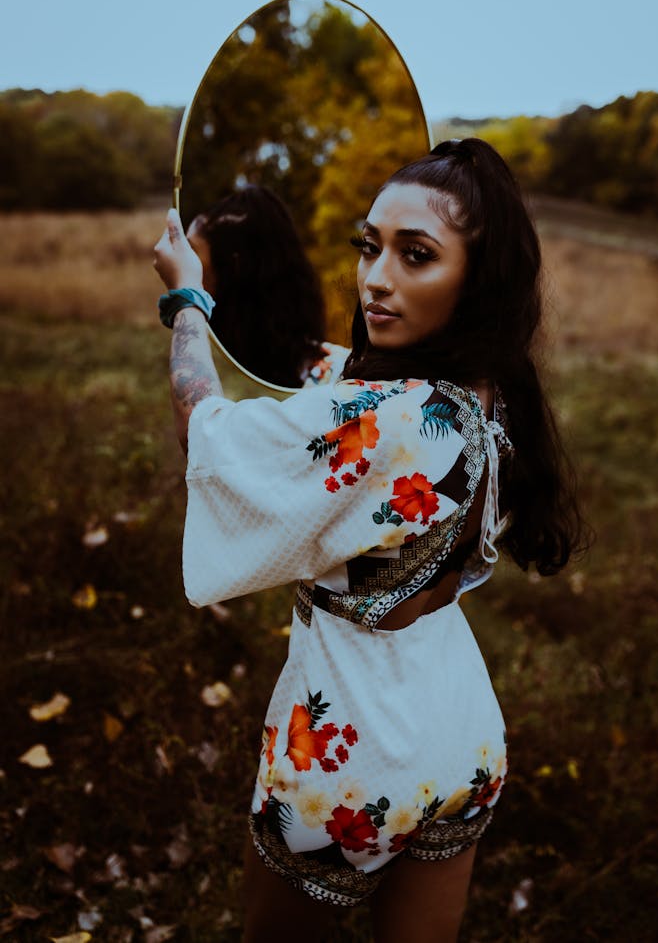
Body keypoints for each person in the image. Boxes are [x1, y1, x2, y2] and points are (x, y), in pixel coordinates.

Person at [153, 138, 586, 943]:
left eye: (416, 255)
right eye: (370, 246)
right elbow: (333, 379)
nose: (377, 277)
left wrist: (185, 303)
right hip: (462, 739)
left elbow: (207, 435)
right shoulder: (493, 397)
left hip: (347, 758)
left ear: (477, 277)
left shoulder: (386, 419)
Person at [186, 184, 339, 388]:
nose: (182, 263)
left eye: (192, 251)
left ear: (232, 267)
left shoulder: (332, 376)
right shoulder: (200, 352)